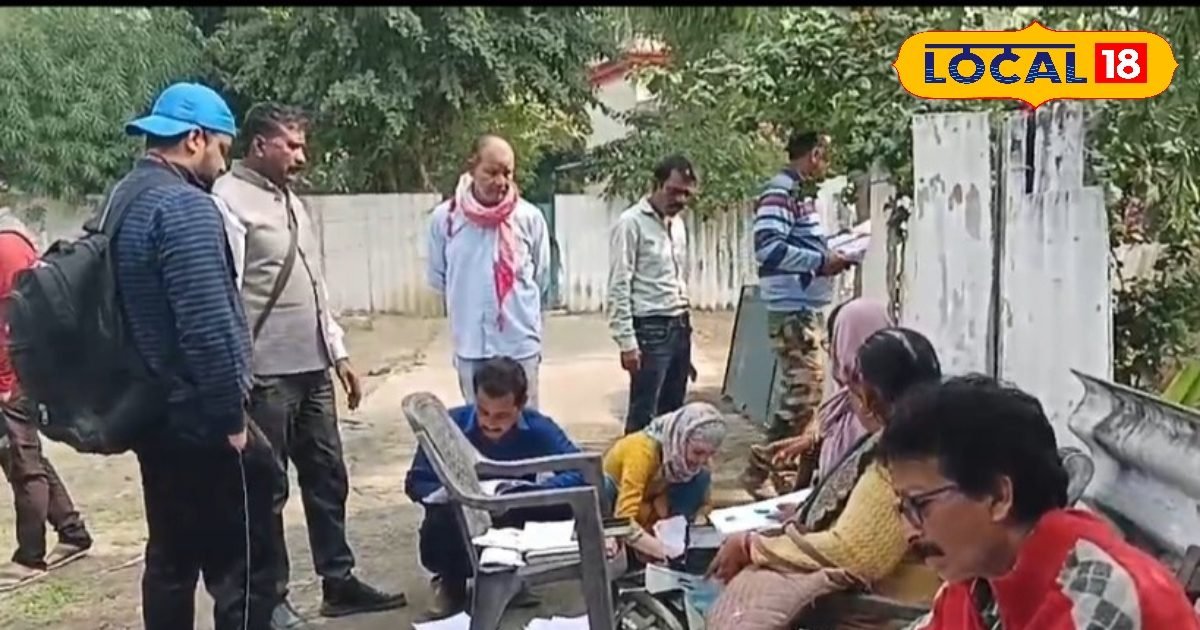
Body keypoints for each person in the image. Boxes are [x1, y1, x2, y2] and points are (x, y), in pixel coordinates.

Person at [212, 102, 404, 628]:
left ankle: (338, 581)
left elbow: (314, 284)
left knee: (328, 476)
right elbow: (226, 295)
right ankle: (270, 600)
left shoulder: (291, 201)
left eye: (302, 145)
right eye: (291, 146)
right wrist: (234, 374)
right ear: (259, 145)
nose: (301, 156)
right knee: (267, 491)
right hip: (265, 376)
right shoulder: (227, 201)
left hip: (313, 369)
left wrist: (338, 352)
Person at [116, 82, 278, 630]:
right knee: (244, 565)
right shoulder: (185, 207)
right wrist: (231, 421)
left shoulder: (124, 200)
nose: (223, 164)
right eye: (222, 149)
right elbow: (207, 327)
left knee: (171, 560)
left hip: (151, 413)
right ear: (194, 139)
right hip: (200, 419)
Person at [881, 376, 1200, 630]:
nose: (909, 532)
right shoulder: (979, 586)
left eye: (919, 505)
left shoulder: (1100, 600)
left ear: (998, 497)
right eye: (903, 508)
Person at [706, 328, 943, 630]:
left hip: (898, 608)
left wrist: (752, 545)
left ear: (869, 397)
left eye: (854, 391)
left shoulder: (901, 458)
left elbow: (854, 554)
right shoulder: (928, 432)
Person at [404, 356, 586, 619]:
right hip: (462, 518)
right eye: (483, 412)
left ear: (520, 405)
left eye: (502, 415)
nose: (490, 423)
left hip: (515, 513)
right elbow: (416, 481)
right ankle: (452, 583)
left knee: (579, 499)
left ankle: (513, 577)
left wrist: (523, 494)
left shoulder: (539, 428)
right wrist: (449, 493)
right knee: (442, 519)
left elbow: (581, 472)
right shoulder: (450, 424)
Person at [742, 130, 854, 499]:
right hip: (791, 308)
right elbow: (768, 249)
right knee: (804, 393)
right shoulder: (781, 192)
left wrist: (832, 250)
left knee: (805, 394)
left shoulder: (797, 193)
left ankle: (774, 468)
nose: (827, 163)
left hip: (802, 306)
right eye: (825, 155)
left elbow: (796, 243)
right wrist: (821, 261)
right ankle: (766, 467)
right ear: (814, 154)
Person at [0, 215, 93, 592]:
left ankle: (30, 557)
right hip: (17, 372)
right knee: (24, 456)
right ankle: (72, 532)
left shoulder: (5, 247)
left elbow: (14, 319)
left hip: (15, 376)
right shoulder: (10, 241)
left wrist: (6, 382)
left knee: (22, 463)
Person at [426, 135, 551, 409]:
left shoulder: (529, 218)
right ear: (472, 167)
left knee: (525, 425)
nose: (501, 181)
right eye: (492, 172)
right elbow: (440, 277)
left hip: (519, 346)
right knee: (480, 424)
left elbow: (541, 279)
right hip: (471, 346)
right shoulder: (445, 220)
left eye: (507, 173)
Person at [606, 155, 699, 434]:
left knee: (673, 415)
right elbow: (619, 284)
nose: (680, 199)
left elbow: (678, 278)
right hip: (650, 329)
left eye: (686, 193)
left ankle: (665, 463)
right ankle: (632, 464)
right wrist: (626, 342)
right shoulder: (631, 223)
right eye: (673, 191)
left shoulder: (678, 224)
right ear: (655, 185)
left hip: (679, 324)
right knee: (643, 415)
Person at [765, 298, 892, 485]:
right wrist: (811, 444)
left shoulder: (870, 413)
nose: (831, 355)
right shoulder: (842, 403)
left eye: (834, 343)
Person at [602, 402, 726, 562]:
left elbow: (705, 506)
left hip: (653, 507)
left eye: (710, 454)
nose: (702, 460)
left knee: (701, 476)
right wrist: (664, 552)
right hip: (617, 508)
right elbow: (623, 521)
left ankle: (676, 539)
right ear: (680, 439)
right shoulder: (641, 453)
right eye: (697, 452)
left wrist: (697, 523)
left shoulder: (686, 460)